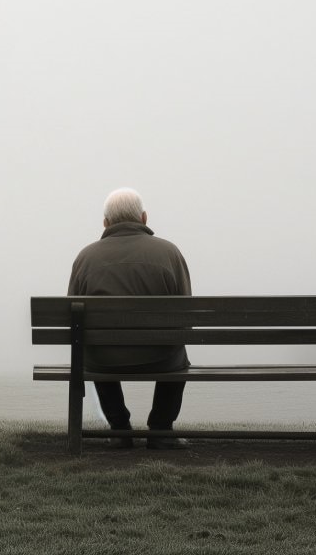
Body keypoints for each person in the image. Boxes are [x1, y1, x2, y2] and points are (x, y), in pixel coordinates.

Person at [68, 188, 192, 450]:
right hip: (161, 357)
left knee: (94, 349)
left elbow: (73, 318)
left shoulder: (86, 258)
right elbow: (186, 316)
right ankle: (160, 429)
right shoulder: (169, 253)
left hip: (104, 361)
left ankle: (120, 429)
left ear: (105, 223)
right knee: (179, 355)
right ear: (144, 218)